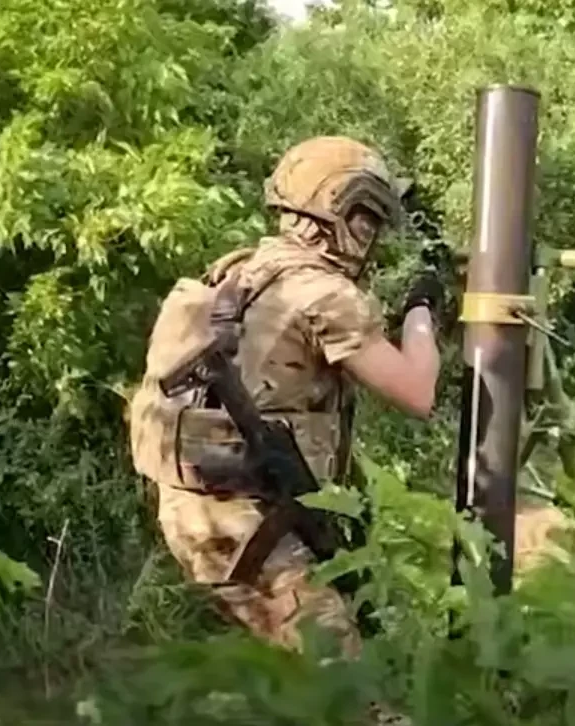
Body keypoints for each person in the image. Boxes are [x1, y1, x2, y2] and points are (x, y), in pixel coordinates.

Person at [127, 136, 443, 656]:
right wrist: (421, 310)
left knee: (290, 673)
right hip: (251, 525)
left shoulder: (240, 272)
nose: (373, 237)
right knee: (348, 681)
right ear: (342, 215)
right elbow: (418, 392)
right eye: (369, 220)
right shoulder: (325, 294)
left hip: (197, 512)